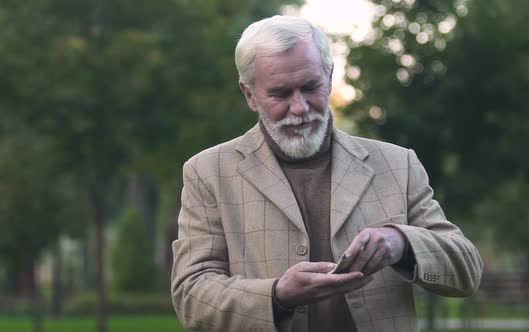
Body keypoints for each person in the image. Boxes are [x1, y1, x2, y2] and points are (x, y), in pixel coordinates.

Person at [171, 15, 483, 332]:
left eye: (310, 87)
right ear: (249, 94)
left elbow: (468, 270)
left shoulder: (397, 163)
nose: (300, 107)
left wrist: (403, 243)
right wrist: (277, 296)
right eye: (280, 94)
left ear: (330, 76)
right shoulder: (208, 172)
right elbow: (191, 296)